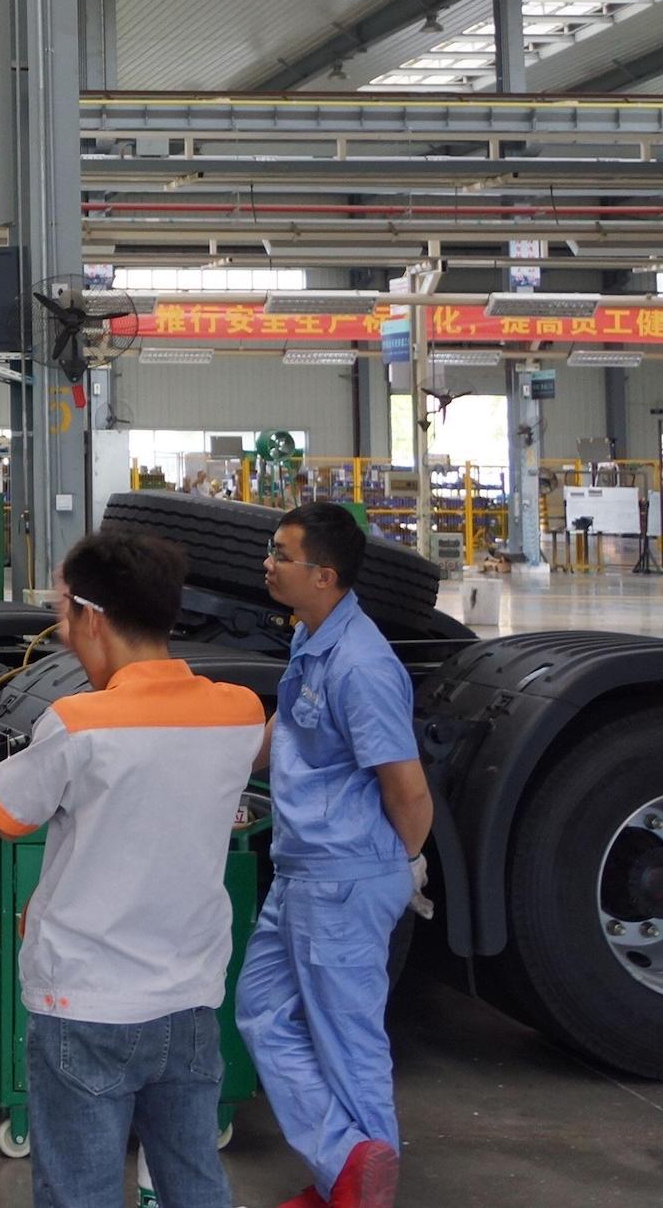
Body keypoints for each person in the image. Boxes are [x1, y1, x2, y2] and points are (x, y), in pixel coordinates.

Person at [0, 526, 263, 1208]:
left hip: (86, 1006)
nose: (60, 630)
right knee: (194, 1183)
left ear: (93, 617)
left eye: (62, 611)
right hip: (189, 1004)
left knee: (80, 1193)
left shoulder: (79, 722)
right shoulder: (240, 713)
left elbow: (7, 812)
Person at [236, 502, 433, 1208]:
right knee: (261, 1011)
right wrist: (216, 767)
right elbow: (286, 726)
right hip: (301, 871)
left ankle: (361, 1193)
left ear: (324, 575)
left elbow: (408, 792)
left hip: (344, 878)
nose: (268, 564)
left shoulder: (362, 665)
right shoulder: (311, 637)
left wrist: (391, 866)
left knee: (349, 1044)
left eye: (281, 555)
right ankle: (346, 1168)